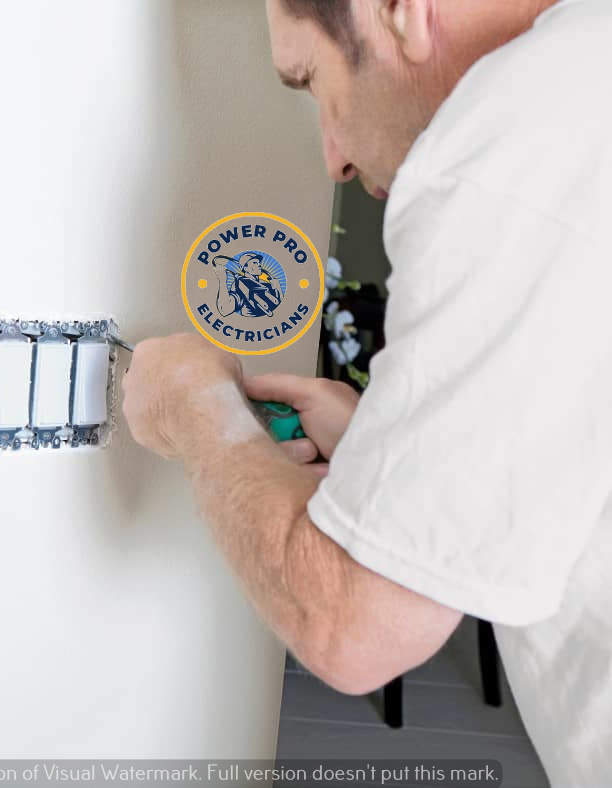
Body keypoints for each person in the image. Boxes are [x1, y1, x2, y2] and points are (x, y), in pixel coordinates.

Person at [121, 0, 612, 785]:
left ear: (400, 10)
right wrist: (388, 457)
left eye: (313, 80)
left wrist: (193, 412)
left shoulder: (509, 140)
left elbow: (352, 629)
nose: (333, 160)